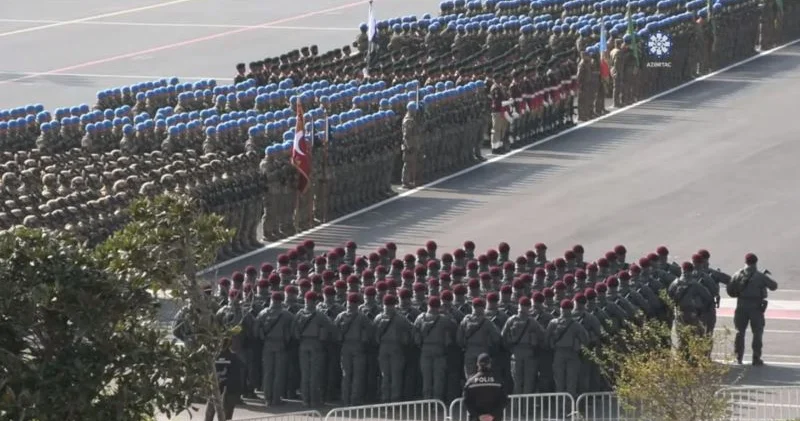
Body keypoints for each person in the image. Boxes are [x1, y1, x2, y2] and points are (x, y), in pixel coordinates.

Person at [727, 253, 779, 366]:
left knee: (739, 332)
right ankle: (756, 358)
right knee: (757, 332)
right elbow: (774, 286)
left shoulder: (737, 274)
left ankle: (738, 357)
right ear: (756, 262)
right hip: (756, 307)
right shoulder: (760, 276)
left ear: (745, 262)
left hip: (741, 305)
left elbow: (730, 290)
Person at [205, 339, 244, 421]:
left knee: (210, 412)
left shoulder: (211, 356)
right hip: (229, 390)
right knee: (226, 415)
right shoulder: (234, 357)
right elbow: (239, 375)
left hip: (215, 387)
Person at [462, 353, 508, 421]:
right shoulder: (498, 381)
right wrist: (493, 415)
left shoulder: (470, 383)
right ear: (489, 364)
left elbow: (466, 402)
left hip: (476, 419)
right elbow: (504, 400)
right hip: (495, 418)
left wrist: (479, 416)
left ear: (477, 364)